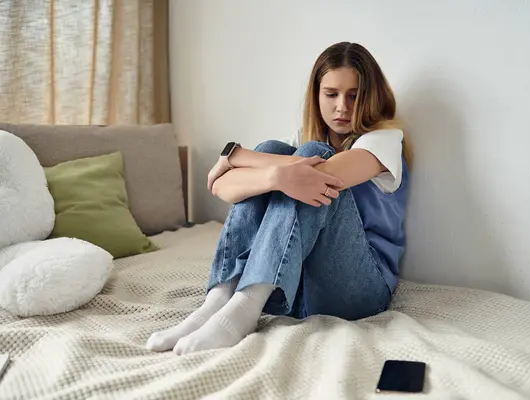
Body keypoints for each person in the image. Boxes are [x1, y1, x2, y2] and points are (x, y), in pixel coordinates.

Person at [146, 41, 412, 355]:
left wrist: (238, 156)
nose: (342, 106)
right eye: (331, 94)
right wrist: (273, 176)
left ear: (370, 96)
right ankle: (218, 300)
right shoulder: (303, 137)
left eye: (353, 95)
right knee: (273, 149)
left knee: (310, 158)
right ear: (316, 95)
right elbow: (221, 187)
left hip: (362, 289)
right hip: (302, 287)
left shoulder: (383, 140)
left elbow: (324, 175)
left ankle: (245, 307)